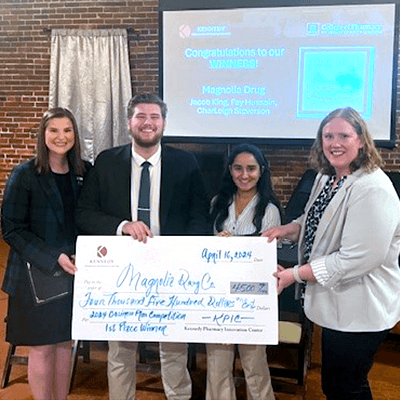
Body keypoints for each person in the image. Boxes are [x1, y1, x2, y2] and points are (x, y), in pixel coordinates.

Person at [75, 92, 211, 400]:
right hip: (123, 269)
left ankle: (178, 396)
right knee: (120, 346)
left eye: (154, 117)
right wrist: (122, 226)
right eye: (140, 117)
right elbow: (84, 213)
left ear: (164, 123)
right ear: (128, 123)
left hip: (172, 269)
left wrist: (183, 254)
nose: (147, 123)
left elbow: (198, 215)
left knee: (174, 343)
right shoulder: (108, 161)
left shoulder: (185, 162)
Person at [263, 107, 400, 399]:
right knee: (335, 385)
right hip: (338, 308)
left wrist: (294, 275)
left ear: (361, 140)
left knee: (348, 387)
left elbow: (357, 258)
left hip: (362, 309)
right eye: (328, 136)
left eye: (343, 136)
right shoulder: (328, 178)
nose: (334, 143)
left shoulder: (373, 188)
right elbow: (318, 222)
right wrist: (287, 229)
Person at [1, 108, 90, 400]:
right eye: (53, 130)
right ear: (43, 135)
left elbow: (89, 219)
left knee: (65, 344)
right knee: (41, 347)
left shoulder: (84, 172)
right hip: (33, 274)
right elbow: (11, 229)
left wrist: (83, 253)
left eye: (67, 130)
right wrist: (54, 257)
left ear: (75, 135)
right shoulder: (25, 174)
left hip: (74, 272)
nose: (61, 137)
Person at [206, 143, 280, 400]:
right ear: (230, 170)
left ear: (261, 171)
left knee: (255, 363)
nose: (244, 175)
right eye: (238, 168)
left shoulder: (269, 209)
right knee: (217, 362)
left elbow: (265, 259)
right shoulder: (218, 203)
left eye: (251, 168)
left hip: (252, 298)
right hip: (217, 296)